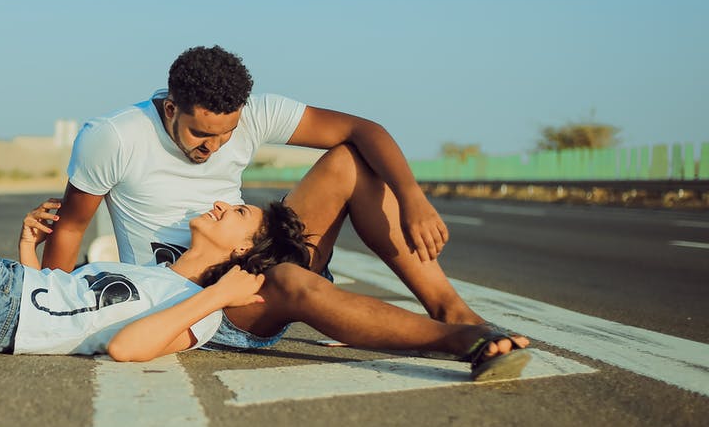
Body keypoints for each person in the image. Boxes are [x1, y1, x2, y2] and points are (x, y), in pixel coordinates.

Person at [0, 87, 530, 378]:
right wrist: (39, 257)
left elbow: (126, 344)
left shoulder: (199, 296)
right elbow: (75, 289)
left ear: (237, 257)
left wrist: (225, 290)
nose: (225, 186)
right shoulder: (157, 235)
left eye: (233, 209)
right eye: (223, 187)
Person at [42, 45, 525, 353]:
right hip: (195, 300)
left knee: (349, 158)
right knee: (292, 280)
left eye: (227, 133)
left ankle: (451, 311)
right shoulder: (113, 136)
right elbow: (69, 228)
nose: (214, 147)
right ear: (171, 108)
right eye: (201, 134)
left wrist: (411, 195)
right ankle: (459, 341)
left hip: (252, 248)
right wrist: (56, 315)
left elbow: (364, 128)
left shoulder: (253, 115)